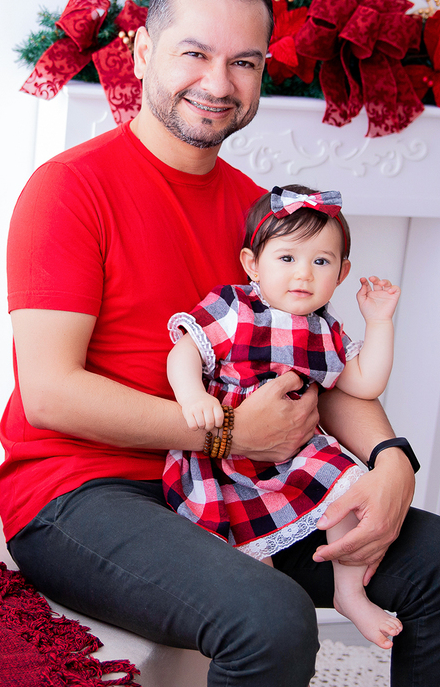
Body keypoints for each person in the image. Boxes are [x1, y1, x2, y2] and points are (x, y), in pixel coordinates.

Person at [0, 0, 440, 686]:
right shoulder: (69, 190)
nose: (218, 84)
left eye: (245, 63)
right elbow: (51, 393)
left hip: (235, 485)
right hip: (82, 493)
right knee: (268, 618)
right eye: (194, 53)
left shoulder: (266, 219)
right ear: (142, 51)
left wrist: (392, 463)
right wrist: (229, 430)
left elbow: (318, 366)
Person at [164, 184, 403, 648]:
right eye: (287, 258)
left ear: (341, 273)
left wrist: (380, 322)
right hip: (223, 456)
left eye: (321, 262)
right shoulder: (235, 307)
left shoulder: (324, 329)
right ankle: (269, 618)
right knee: (252, 569)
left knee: (350, 488)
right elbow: (184, 350)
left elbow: (364, 383)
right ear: (253, 264)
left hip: (295, 454)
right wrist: (192, 395)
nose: (304, 275)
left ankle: (349, 593)